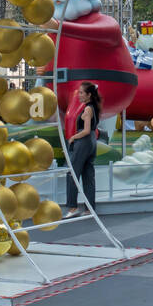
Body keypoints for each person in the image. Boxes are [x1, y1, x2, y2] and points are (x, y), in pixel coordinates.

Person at [64, 82, 102, 218]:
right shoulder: (94, 108)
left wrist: (73, 137)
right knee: (88, 175)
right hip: (92, 141)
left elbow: (85, 130)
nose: (79, 95)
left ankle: (72, 207)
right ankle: (89, 208)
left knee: (72, 173)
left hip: (84, 141)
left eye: (81, 93)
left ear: (89, 95)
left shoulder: (87, 109)